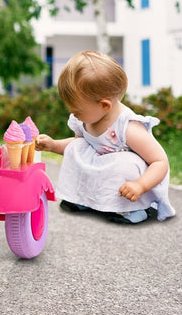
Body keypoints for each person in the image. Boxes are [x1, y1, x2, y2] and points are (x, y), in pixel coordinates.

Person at [36, 50, 175, 224]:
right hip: (102, 166)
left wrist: (140, 185)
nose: (72, 113)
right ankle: (85, 200)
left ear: (104, 105)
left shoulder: (129, 127)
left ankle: (134, 209)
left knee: (124, 164)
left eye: (77, 110)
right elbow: (79, 145)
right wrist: (53, 145)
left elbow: (160, 162)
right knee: (77, 148)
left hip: (131, 182)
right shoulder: (85, 119)